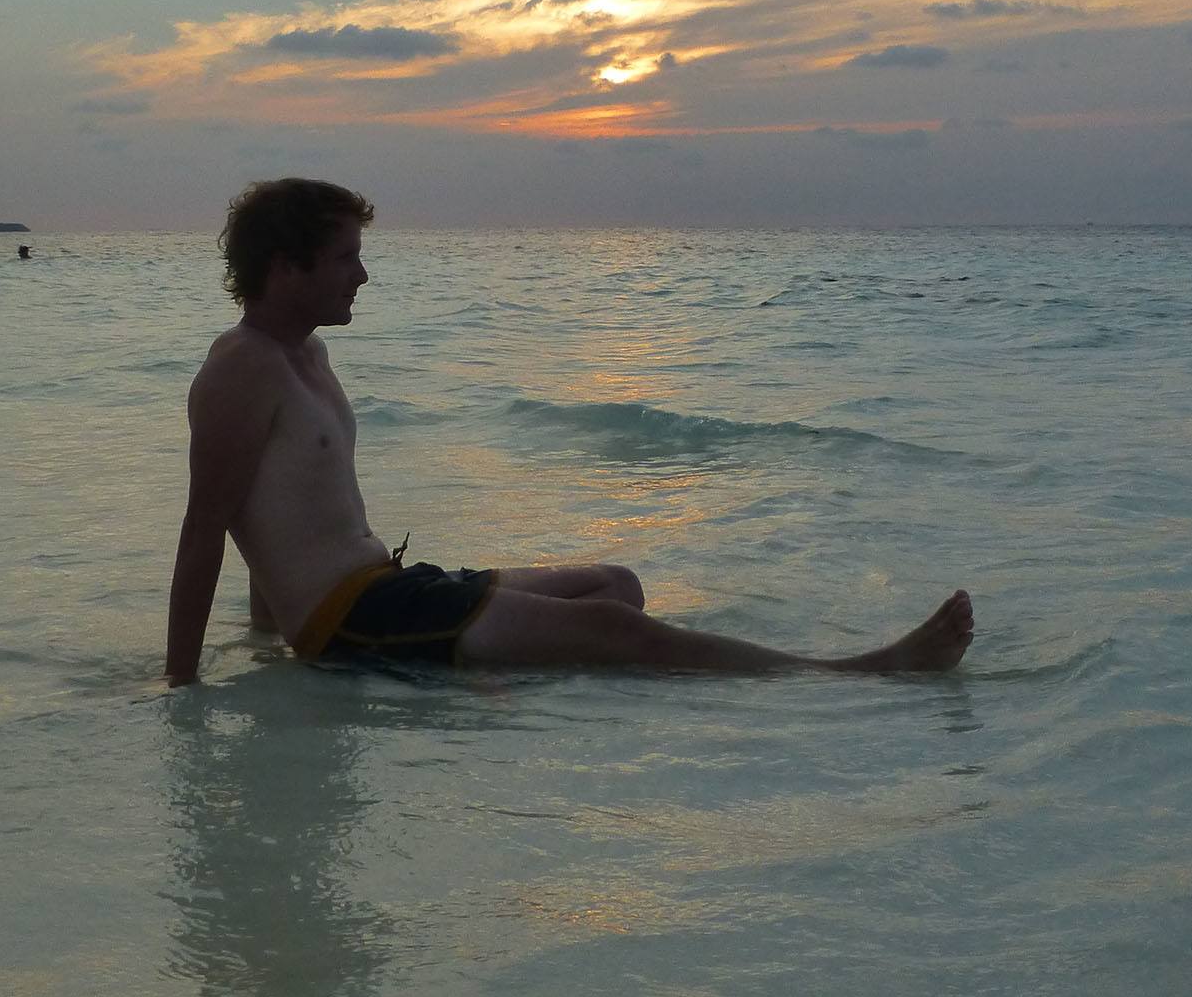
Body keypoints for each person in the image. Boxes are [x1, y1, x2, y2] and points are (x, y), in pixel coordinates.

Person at [164, 179, 974, 687]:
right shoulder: (242, 369)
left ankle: (462, 683)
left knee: (614, 585)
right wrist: (184, 683)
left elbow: (281, 513)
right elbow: (209, 528)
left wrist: (265, 640)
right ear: (286, 266)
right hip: (352, 622)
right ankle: (850, 675)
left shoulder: (308, 354)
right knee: (611, 630)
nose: (364, 274)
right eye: (346, 257)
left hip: (384, 591)